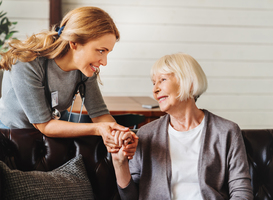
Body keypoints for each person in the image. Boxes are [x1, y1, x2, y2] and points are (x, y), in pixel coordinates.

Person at [111, 53, 253, 199]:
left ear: (189, 83)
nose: (155, 90)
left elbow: (241, 191)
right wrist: (119, 163)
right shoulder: (146, 134)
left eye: (163, 80)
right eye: (154, 83)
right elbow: (130, 197)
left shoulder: (226, 131)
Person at [0, 6, 138, 157]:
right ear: (74, 43)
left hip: (53, 134)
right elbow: (44, 125)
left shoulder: (85, 70)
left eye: (107, 53)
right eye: (101, 50)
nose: (104, 62)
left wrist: (121, 135)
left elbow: (99, 114)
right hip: (11, 136)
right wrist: (98, 129)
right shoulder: (26, 63)